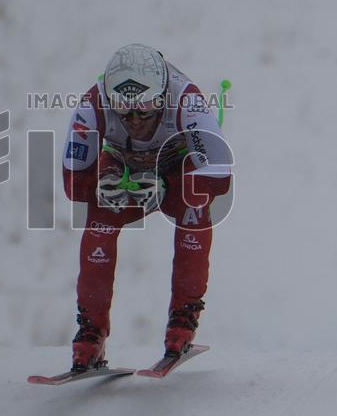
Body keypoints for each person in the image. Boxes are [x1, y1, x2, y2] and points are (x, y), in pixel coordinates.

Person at [62, 43, 232, 371]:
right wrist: (101, 183)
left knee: (195, 201)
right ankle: (90, 334)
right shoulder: (92, 105)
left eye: (147, 107)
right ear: (109, 98)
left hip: (178, 168)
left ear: (164, 95)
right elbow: (74, 185)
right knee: (100, 215)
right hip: (124, 169)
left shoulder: (188, 101)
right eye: (123, 110)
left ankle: (182, 320)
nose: (136, 119)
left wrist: (164, 184)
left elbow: (219, 178)